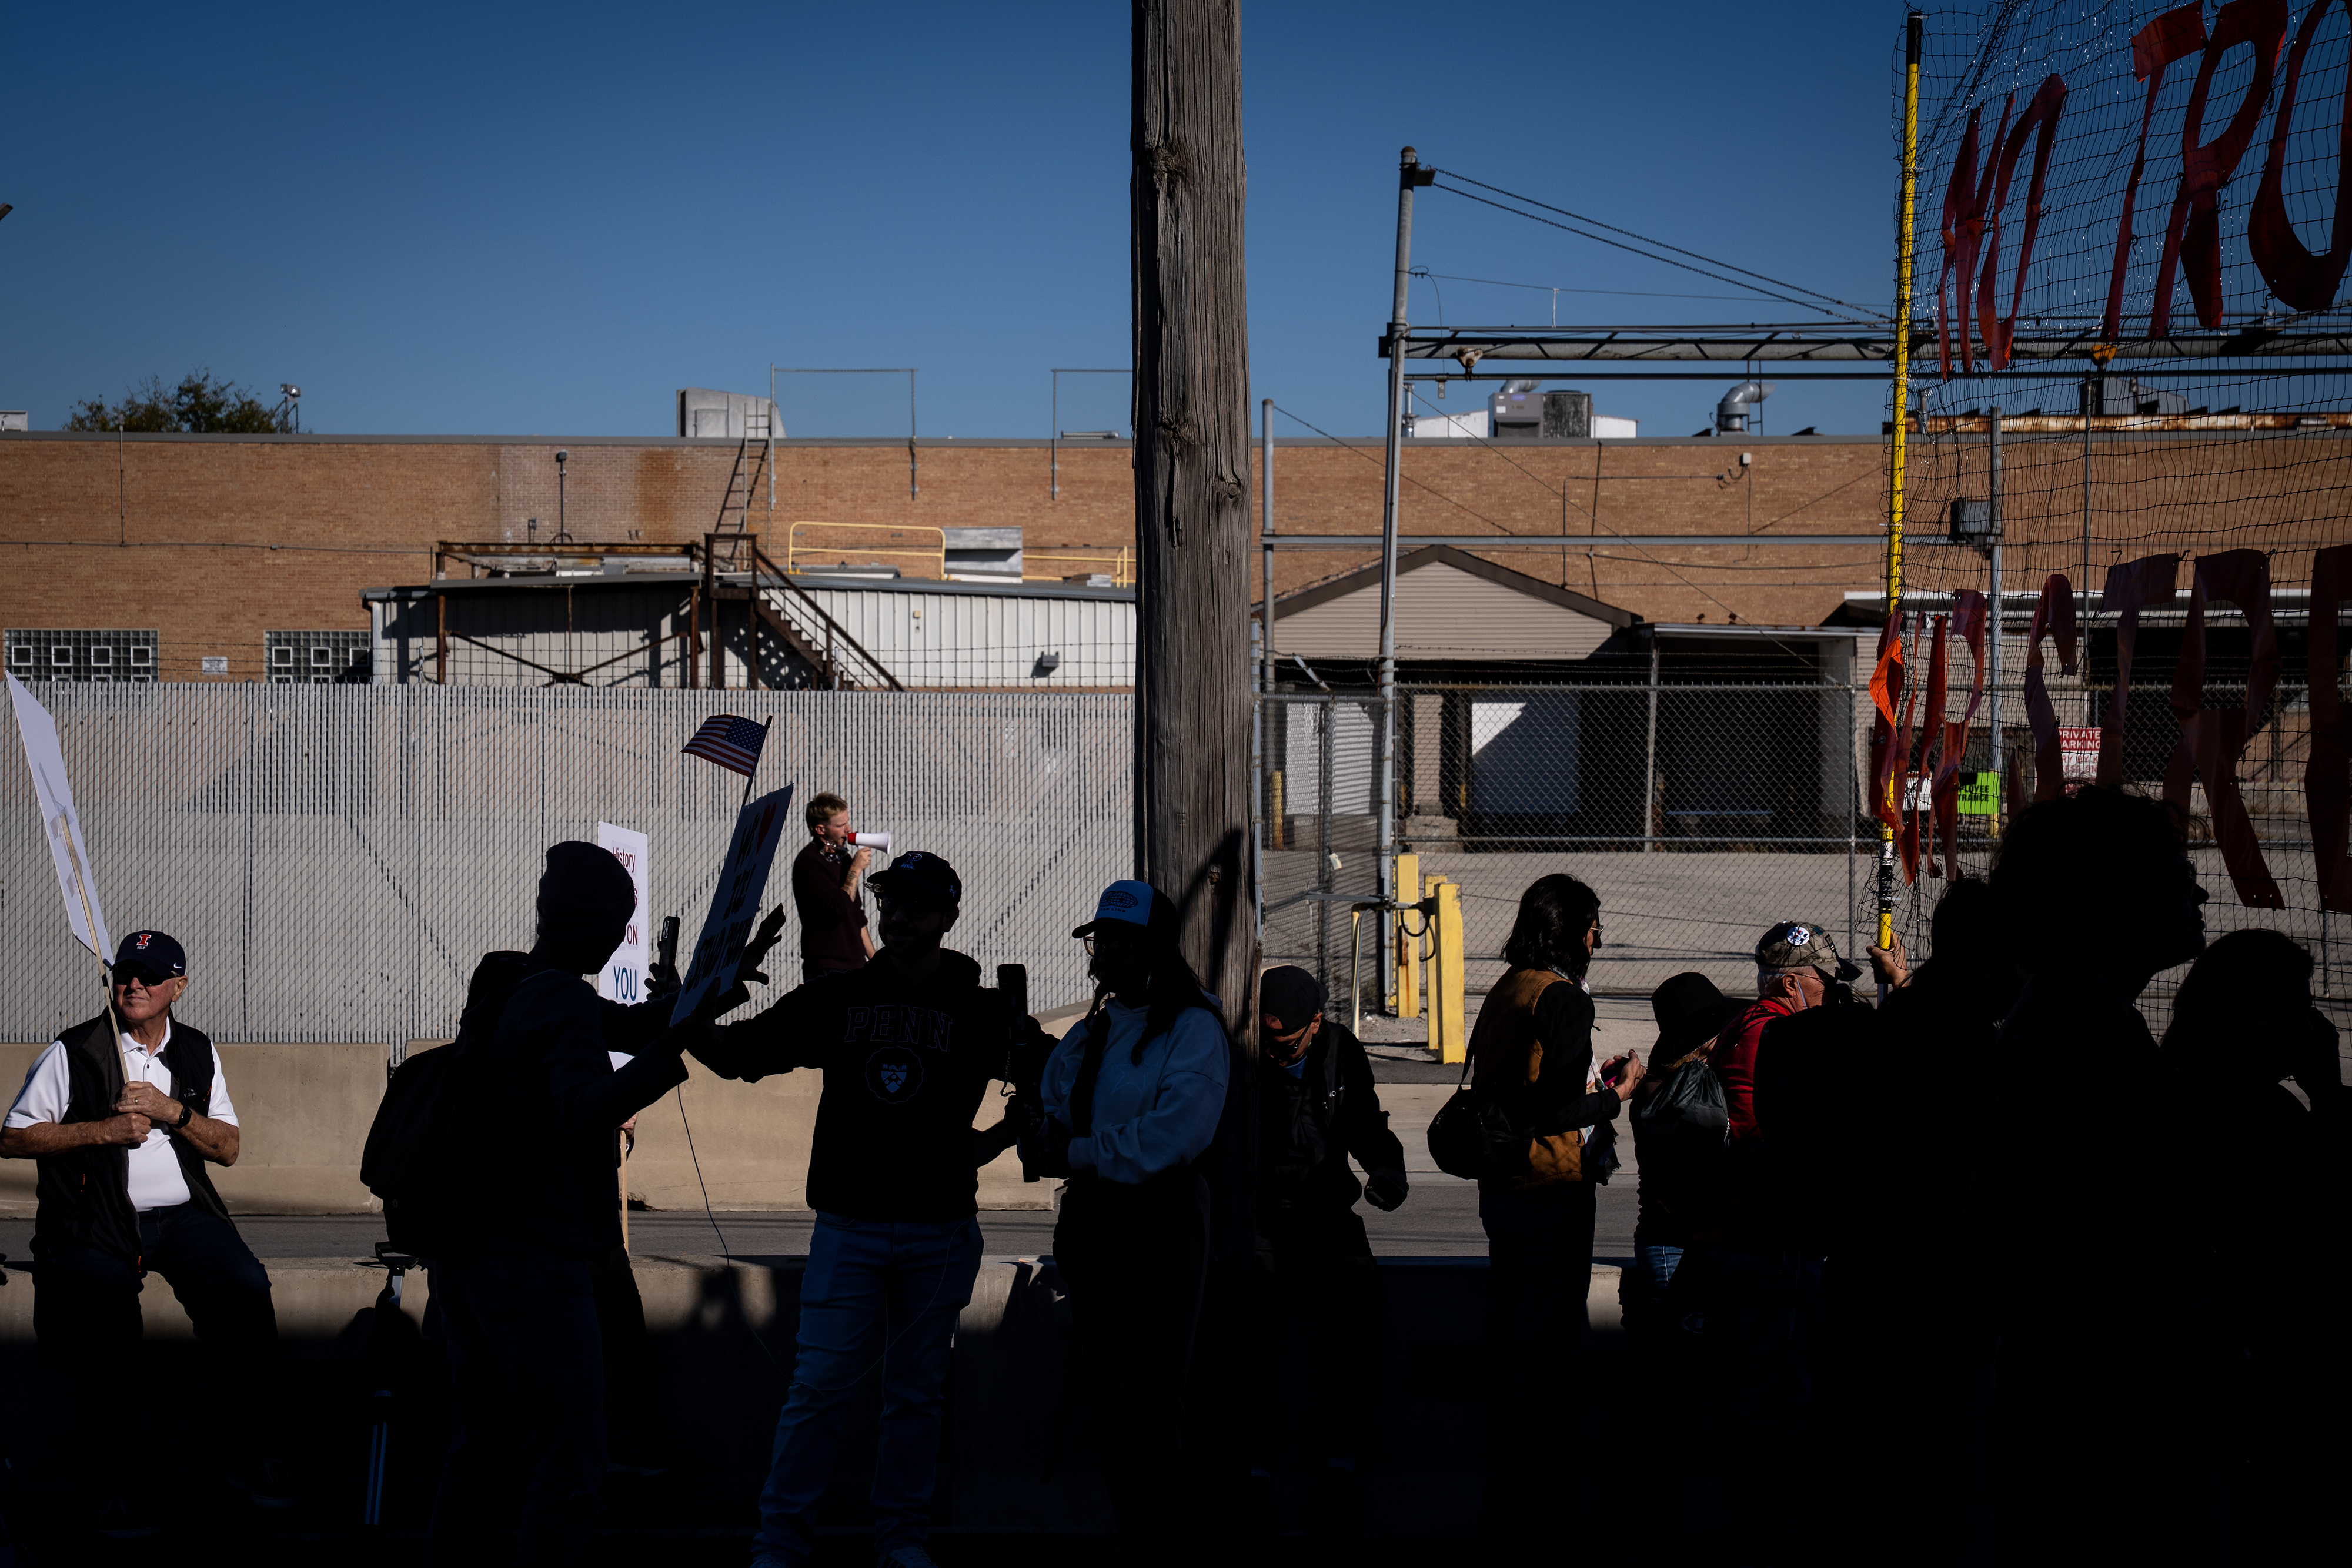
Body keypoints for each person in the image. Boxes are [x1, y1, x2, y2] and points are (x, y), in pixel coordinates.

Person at [691, 850, 1028, 1568]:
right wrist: (687, 1013)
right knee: (818, 1391)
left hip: (940, 1232)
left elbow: (1057, 1076)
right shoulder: (838, 999)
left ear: (947, 917)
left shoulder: (978, 1009)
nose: (899, 917)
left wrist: (993, 1139)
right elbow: (737, 1055)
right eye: (890, 902)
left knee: (915, 1397)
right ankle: (779, 1546)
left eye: (916, 906)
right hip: (850, 1226)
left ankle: (900, 1541)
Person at [425, 842, 713, 1566]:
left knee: (482, 1446)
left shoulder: (505, 980)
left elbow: (613, 1026)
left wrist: (687, 1001)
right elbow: (583, 1111)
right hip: (535, 1254)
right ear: (595, 925)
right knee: (571, 1463)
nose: (622, 936)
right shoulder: (560, 999)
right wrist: (673, 1051)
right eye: (619, 922)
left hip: (467, 1244)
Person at [1971, 785, 2211, 1564]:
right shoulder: (2074, 1041)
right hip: (2098, 1432)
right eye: (2178, 875)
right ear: (2114, 904)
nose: (2200, 890)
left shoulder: (2083, 1023)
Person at [1, 929, 290, 1538]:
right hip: (95, 1219)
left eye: (150, 976)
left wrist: (171, 1112)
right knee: (110, 1334)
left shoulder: (195, 1051)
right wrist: (100, 1132)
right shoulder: (76, 1051)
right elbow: (15, 1136)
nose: (133, 984)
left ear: (177, 988)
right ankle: (110, 1491)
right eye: (126, 973)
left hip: (183, 1216)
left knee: (246, 1292)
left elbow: (229, 1148)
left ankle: (252, 1458)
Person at [1028, 880, 1230, 1557]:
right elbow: (1053, 1105)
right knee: (1113, 1398)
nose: (1105, 950)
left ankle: (1159, 1535)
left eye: (1121, 939)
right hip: (1093, 1223)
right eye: (1100, 937)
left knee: (1151, 1398)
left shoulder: (1193, 1026)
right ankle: (1135, 1529)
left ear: (1156, 948)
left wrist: (1078, 1152)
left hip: (1160, 1223)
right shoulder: (1094, 1030)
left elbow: (1173, 1136)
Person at [1464, 873, 1641, 1542]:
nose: (1599, 939)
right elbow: (1556, 1108)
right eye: (1594, 926)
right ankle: (1544, 1501)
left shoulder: (1509, 986)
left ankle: (1505, 1487)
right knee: (1549, 1353)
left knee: (1509, 1339)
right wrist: (1617, 1093)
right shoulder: (1564, 1000)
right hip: (1549, 1190)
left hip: (1500, 1188)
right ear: (1573, 932)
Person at [2159, 928, 2345, 1560]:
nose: (2310, 1026)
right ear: (2242, 1018)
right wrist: (2327, 1092)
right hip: (2252, 1388)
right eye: (2292, 1009)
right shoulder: (2244, 1117)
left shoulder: (2198, 1088)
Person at [1246, 965, 1407, 1536]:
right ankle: (1256, 1472)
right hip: (1261, 1219)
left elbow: (1366, 1123)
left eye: (1284, 1042)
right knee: (1251, 1337)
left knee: (1364, 1317)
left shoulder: (1340, 1052)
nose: (1273, 1051)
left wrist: (1387, 1169)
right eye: (1266, 1041)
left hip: (1325, 1216)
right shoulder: (1244, 1055)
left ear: (1314, 1025)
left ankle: (1341, 1466)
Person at [793, 791, 874, 982]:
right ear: (820, 829)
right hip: (827, 969)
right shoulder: (809, 861)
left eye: (847, 822)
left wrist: (874, 959)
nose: (849, 829)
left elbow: (856, 916)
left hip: (855, 965)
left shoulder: (842, 858)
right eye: (840, 825)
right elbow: (837, 908)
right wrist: (855, 869)